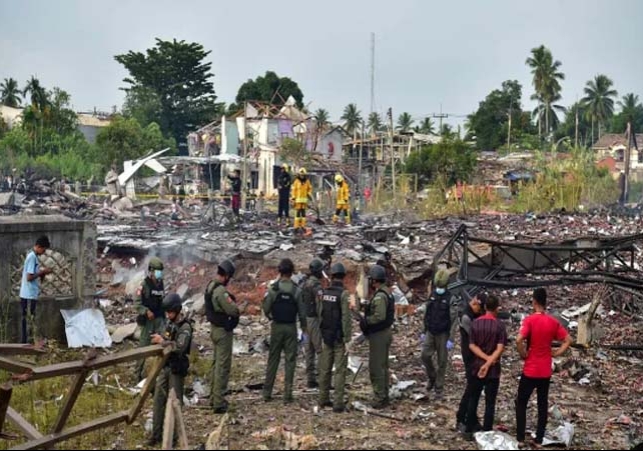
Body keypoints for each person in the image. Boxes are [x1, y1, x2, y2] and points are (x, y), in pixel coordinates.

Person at [516, 288, 573, 447]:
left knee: (521, 402)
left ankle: (520, 438)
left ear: (534, 301)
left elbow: (519, 340)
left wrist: (523, 354)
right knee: (542, 404)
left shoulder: (529, 320)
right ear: (545, 302)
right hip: (545, 371)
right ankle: (539, 440)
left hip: (530, 369)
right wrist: (557, 352)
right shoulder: (552, 322)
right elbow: (568, 339)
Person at [149, 293, 193, 446]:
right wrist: (158, 338)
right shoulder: (169, 323)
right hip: (165, 366)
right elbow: (165, 335)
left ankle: (173, 437)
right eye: (167, 312)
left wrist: (164, 342)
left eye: (170, 312)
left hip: (176, 368)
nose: (168, 315)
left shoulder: (185, 327)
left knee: (174, 403)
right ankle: (156, 434)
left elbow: (180, 347)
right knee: (158, 400)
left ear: (177, 309)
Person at [463, 295, 507, 441]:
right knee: (490, 402)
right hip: (493, 370)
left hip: (476, 367)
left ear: (485, 307)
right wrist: (489, 361)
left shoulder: (475, 323)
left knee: (473, 399)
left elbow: (472, 345)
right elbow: (500, 348)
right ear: (496, 308)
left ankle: (468, 430)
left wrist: (484, 360)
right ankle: (487, 432)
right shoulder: (500, 325)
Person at [262, 258, 306, 404]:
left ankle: (267, 393)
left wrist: (271, 317)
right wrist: (304, 329)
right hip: (291, 327)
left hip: (277, 327)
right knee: (290, 361)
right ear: (291, 272)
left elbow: (266, 308)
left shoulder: (273, 289)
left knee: (273, 359)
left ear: (279, 271)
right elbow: (302, 313)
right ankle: (288, 395)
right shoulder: (296, 290)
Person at [204, 259, 239, 414]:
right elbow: (233, 310)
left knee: (216, 363)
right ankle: (218, 401)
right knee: (222, 366)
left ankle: (213, 397)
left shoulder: (210, 286)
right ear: (225, 276)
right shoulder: (220, 291)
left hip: (214, 330)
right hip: (223, 332)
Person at [359, 265, 394, 409]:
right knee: (383, 366)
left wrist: (366, 320)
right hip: (384, 332)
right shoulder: (386, 292)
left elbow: (379, 316)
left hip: (379, 334)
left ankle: (380, 398)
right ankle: (384, 395)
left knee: (377, 367)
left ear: (374, 280)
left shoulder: (380, 296)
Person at [318, 263, 352, 412]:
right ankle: (338, 403)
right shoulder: (343, 294)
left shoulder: (325, 293)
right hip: (339, 337)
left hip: (326, 336)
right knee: (339, 370)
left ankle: (323, 399)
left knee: (325, 368)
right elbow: (346, 318)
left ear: (332, 275)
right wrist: (347, 339)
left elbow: (321, 314)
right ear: (343, 276)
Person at [421, 269, 458, 400]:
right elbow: (426, 313)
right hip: (431, 331)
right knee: (425, 356)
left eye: (441, 286)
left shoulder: (450, 298)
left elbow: (454, 320)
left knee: (442, 362)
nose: (439, 289)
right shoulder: (432, 295)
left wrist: (451, 339)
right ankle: (432, 377)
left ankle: (438, 388)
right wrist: (423, 331)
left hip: (443, 334)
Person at [456, 292, 488, 432]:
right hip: (470, 356)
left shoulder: (473, 314)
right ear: (475, 303)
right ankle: (462, 417)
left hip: (475, 356)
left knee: (474, 389)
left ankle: (471, 418)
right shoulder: (466, 317)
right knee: (471, 388)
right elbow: (475, 337)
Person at [135, 257, 167, 381]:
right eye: (157, 271)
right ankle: (137, 375)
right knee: (143, 347)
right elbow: (137, 303)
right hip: (148, 321)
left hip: (159, 319)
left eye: (160, 271)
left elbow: (162, 300)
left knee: (160, 345)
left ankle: (157, 373)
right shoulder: (144, 285)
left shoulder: (161, 284)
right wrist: (146, 311)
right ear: (151, 271)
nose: (159, 274)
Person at [19, 235, 52, 344]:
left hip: (30, 293)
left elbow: (33, 274)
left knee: (29, 319)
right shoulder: (32, 257)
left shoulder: (33, 256)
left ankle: (28, 342)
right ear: (38, 246)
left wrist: (41, 273)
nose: (44, 252)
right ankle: (26, 343)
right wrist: (42, 272)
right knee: (28, 319)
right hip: (28, 294)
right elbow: (29, 277)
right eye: (44, 249)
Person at [303, 258, 325, 388]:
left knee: (309, 350)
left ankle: (310, 378)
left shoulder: (305, 283)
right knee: (320, 349)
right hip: (314, 321)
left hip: (305, 320)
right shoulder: (316, 286)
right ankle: (323, 378)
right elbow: (320, 305)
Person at [291, 168, 313, 232]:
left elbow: (310, 188)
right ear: (299, 175)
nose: (302, 176)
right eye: (301, 175)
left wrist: (309, 194)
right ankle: (296, 226)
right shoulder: (296, 181)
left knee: (303, 213)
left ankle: (303, 226)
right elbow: (293, 190)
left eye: (303, 175)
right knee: (297, 213)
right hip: (297, 200)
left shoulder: (307, 181)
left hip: (304, 200)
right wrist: (293, 197)